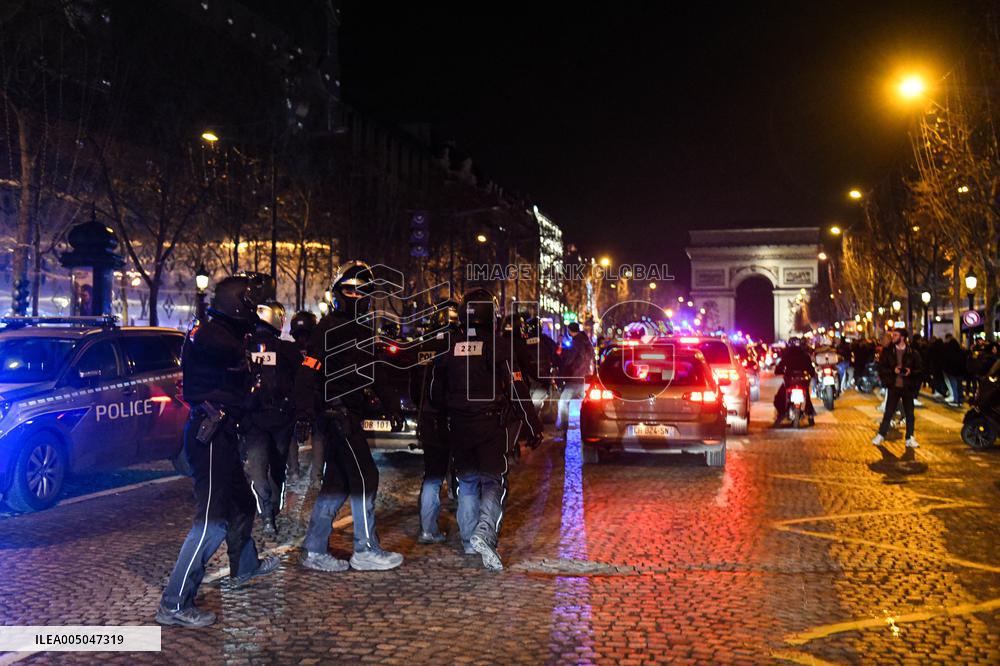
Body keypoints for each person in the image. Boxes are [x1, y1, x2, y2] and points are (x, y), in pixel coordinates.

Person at [157, 275, 280, 628]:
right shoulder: (216, 337)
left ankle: (244, 566)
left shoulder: (219, 334)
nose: (257, 312)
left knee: (242, 502)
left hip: (221, 432)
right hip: (211, 435)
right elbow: (235, 373)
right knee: (212, 521)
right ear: (237, 305)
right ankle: (175, 603)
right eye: (252, 304)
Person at [294, 261, 404, 573]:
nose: (357, 296)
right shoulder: (328, 328)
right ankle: (365, 549)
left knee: (337, 484)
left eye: (363, 291)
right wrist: (304, 413)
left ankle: (314, 549)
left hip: (346, 414)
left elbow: (376, 373)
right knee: (367, 477)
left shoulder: (361, 330)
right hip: (337, 415)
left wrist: (391, 406)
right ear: (338, 292)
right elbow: (308, 371)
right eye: (350, 290)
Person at [430, 287, 542, 570]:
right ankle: (484, 533)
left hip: (459, 426)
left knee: (466, 482)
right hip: (491, 426)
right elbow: (517, 387)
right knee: (493, 482)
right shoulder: (499, 346)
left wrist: (440, 420)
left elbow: (434, 390)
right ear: (491, 314)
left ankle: (469, 541)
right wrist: (532, 424)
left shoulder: (450, 346)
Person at [242, 301, 300, 537]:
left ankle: (269, 513)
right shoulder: (286, 350)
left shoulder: (244, 347)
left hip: (258, 420)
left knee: (260, 471)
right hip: (274, 420)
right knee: (273, 469)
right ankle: (269, 514)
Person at [412, 298, 458, 544]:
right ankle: (468, 531)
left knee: (431, 475)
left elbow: (411, 387)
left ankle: (427, 529)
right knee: (463, 473)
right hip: (453, 418)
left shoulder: (423, 347)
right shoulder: (459, 345)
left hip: (427, 419)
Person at [872, 327, 923, 461]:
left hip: (907, 387)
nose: (893, 337)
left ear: (902, 337)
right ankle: (881, 435)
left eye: (895, 335)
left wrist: (909, 372)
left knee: (910, 413)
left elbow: (920, 370)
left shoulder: (913, 353)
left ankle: (910, 437)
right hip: (894, 386)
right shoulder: (888, 352)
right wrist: (892, 372)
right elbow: (881, 368)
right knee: (888, 412)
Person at [287, 311, 319, 481]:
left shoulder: (290, 351)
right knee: (319, 434)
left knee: (317, 433)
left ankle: (296, 471)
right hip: (311, 399)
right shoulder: (316, 352)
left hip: (302, 400)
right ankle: (315, 474)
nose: (302, 339)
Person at [555, 322, 595, 436]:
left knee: (563, 402)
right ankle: (589, 427)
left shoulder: (576, 342)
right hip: (586, 378)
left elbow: (569, 360)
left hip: (575, 378)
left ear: (570, 331)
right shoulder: (587, 342)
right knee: (588, 404)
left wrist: (562, 358)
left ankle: (563, 426)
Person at [773, 337, 816, 426]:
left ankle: (781, 414)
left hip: (791, 381)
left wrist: (779, 371)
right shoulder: (805, 355)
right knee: (807, 397)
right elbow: (811, 369)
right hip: (801, 382)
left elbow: (779, 368)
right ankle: (810, 415)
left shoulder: (787, 355)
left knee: (780, 397)